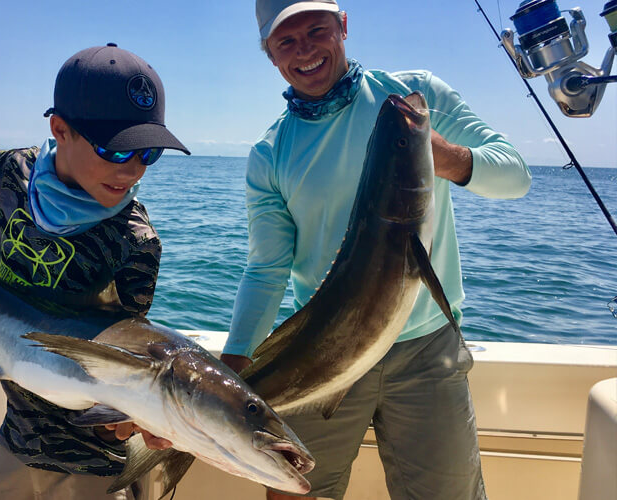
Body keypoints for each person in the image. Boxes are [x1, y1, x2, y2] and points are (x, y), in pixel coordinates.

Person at [219, 1, 531, 499]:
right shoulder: (270, 153)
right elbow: (266, 270)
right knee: (294, 492)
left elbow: (515, 176)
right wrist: (228, 372)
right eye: (286, 41)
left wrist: (446, 157)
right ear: (269, 53)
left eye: (316, 30)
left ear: (343, 26)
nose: (305, 50)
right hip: (320, 346)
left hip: (426, 350)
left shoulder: (416, 95)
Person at [0, 44, 188, 500]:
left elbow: (118, 363)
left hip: (92, 467)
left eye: (149, 153)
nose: (132, 171)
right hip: (14, 442)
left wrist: (135, 417)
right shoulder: (16, 175)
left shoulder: (135, 242)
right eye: (115, 150)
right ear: (61, 130)